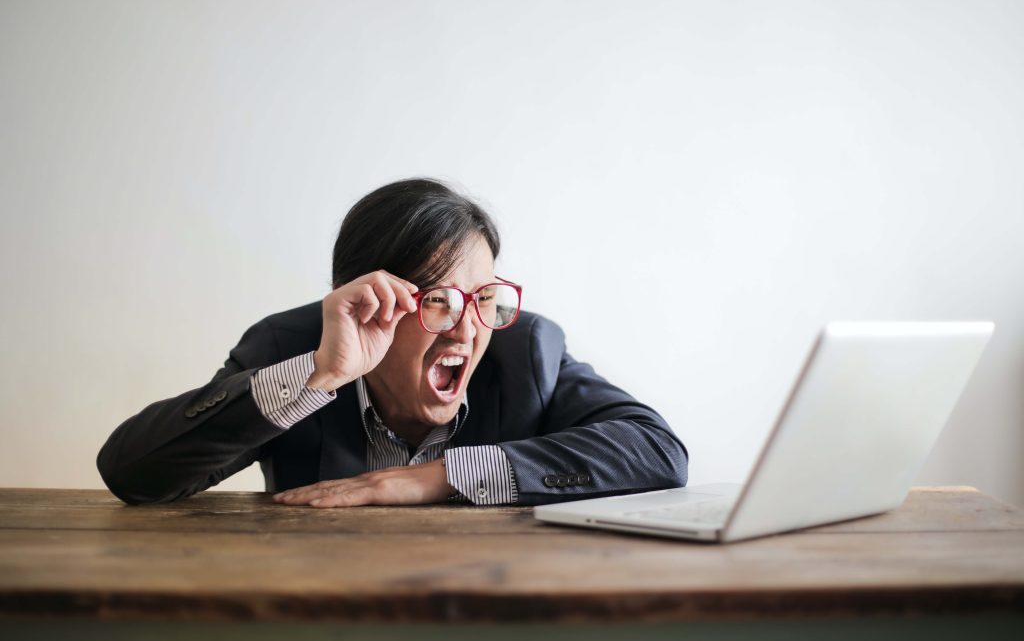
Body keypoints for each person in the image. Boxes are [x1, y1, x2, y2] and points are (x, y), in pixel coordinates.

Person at [97, 178, 689, 507]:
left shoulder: (526, 348)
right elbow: (131, 473)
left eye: (484, 296)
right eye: (436, 299)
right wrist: (319, 377)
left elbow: (658, 451)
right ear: (361, 298)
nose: (466, 328)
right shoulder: (290, 345)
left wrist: (438, 476)